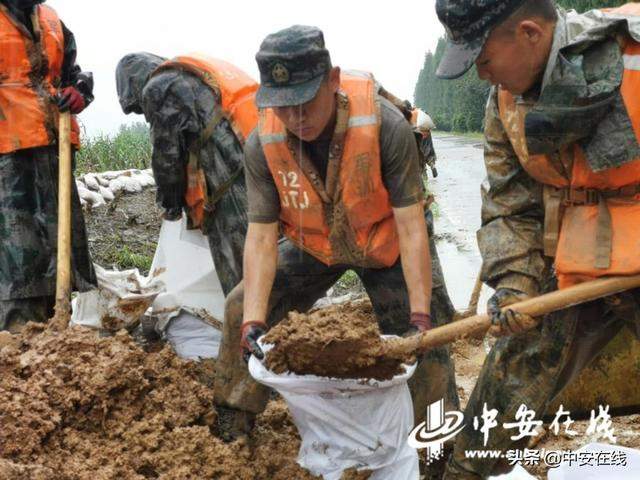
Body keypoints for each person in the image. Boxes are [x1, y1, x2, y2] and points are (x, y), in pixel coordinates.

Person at [213, 25, 459, 449]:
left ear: (332, 79)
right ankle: (233, 423)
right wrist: (255, 319)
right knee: (240, 306)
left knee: (428, 335)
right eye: (283, 107)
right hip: (315, 244)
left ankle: (439, 442)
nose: (295, 118)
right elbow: (260, 236)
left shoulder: (384, 126)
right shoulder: (262, 142)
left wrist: (419, 316)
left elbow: (412, 227)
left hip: (386, 244)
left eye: (305, 103)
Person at [435, 0, 640, 477]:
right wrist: (515, 288)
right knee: (509, 380)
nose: (483, 76)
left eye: (484, 60)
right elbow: (510, 203)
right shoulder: (504, 103)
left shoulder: (632, 57)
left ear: (528, 32)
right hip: (577, 257)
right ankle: (465, 470)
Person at [116, 53, 256, 295]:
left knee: (239, 263)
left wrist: (170, 206)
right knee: (268, 246)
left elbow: (167, 157)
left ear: (134, 84)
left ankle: (255, 323)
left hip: (232, 176)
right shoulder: (189, 77)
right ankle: (289, 318)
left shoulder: (158, 88)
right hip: (259, 161)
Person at [0, 0, 96, 331]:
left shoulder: (53, 21)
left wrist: (81, 87)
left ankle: (60, 331)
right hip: (7, 155)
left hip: (53, 148)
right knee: (16, 256)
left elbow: (71, 72)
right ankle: (18, 338)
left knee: (60, 247)